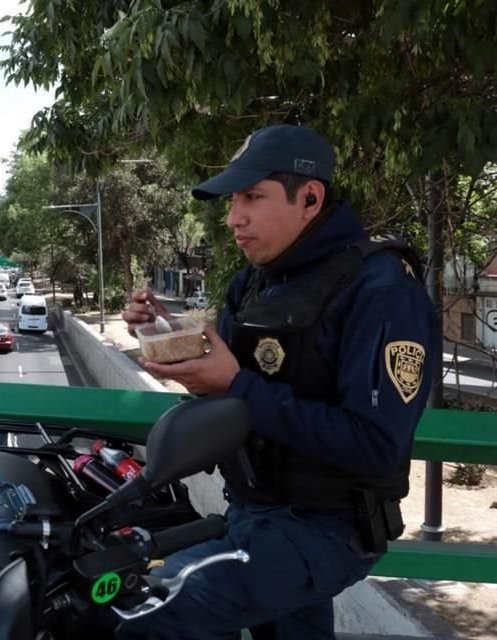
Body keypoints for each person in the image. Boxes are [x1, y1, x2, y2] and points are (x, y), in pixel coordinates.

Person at [118, 124, 439, 639]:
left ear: (310, 198)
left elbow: (376, 445)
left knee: (157, 607)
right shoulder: (255, 282)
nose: (233, 218)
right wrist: (163, 330)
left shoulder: (382, 292)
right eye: (232, 201)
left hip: (328, 528)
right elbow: (224, 383)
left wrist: (236, 385)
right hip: (252, 511)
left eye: (252, 197)